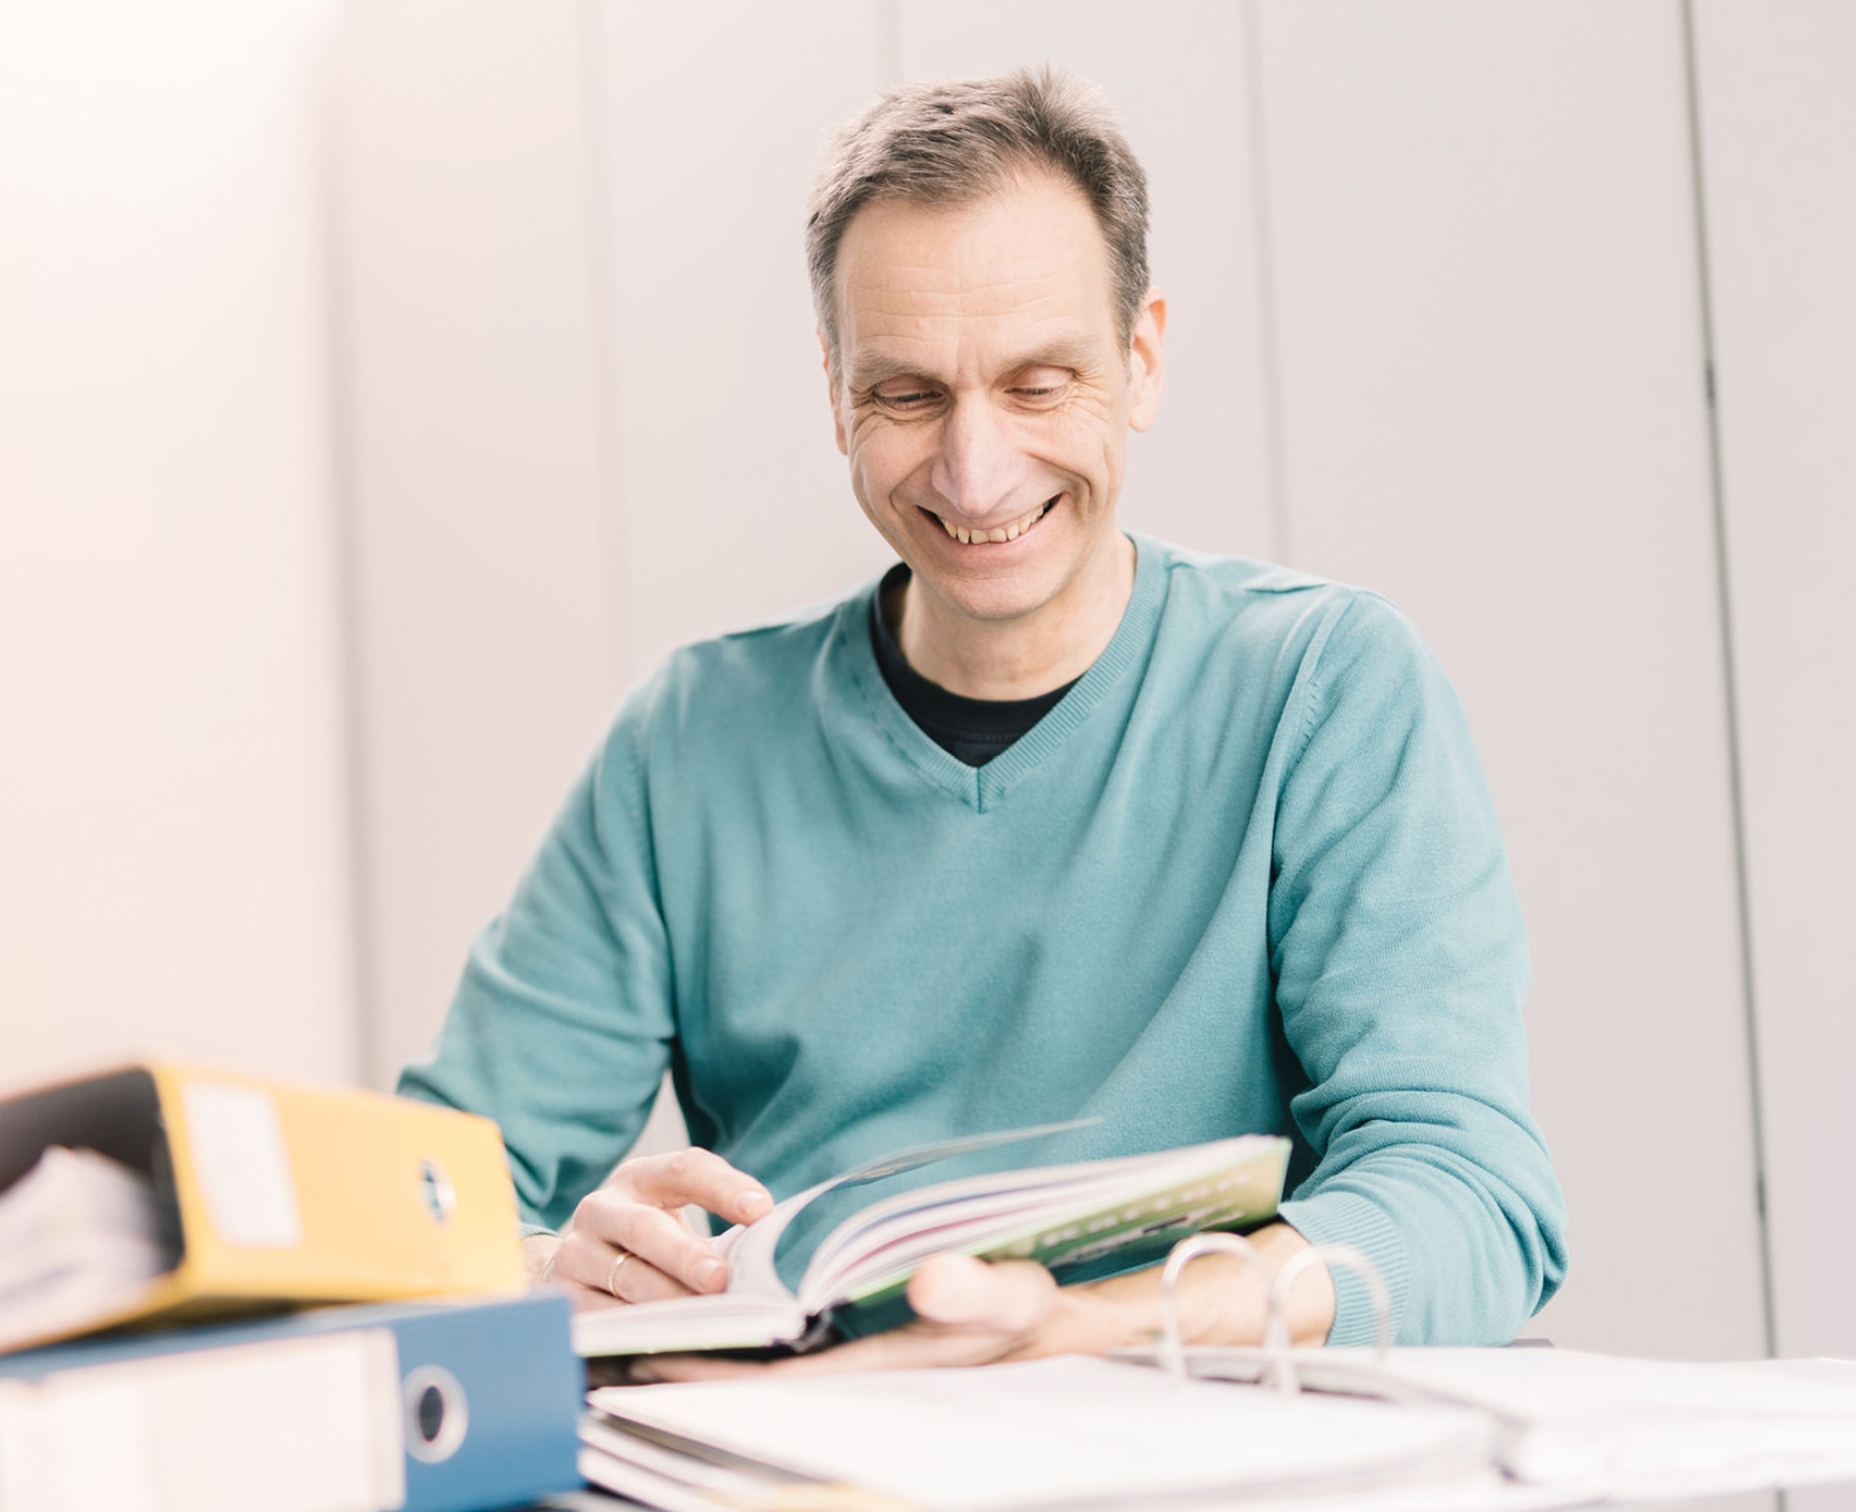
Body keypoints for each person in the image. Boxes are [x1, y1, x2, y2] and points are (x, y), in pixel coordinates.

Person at [396, 69, 1566, 1373]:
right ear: (835, 389)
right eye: (907, 394)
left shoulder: (1323, 691)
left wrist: (1088, 1331)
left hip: (1193, 1466)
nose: (974, 470)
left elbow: (1467, 1197)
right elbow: (419, 1204)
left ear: (1142, 360)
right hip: (800, 1489)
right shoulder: (690, 745)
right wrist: (557, 1268)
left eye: (1038, 381)